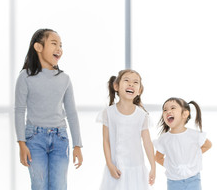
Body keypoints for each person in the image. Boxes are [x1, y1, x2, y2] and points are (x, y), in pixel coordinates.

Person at [14, 29, 83, 190]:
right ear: (38, 47)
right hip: (34, 139)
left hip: (60, 138)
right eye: (54, 44)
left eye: (60, 45)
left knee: (59, 186)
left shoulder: (64, 79)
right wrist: (21, 143)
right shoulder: (25, 76)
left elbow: (71, 113)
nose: (59, 48)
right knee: (39, 185)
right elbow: (19, 110)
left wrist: (77, 145)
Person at [96, 69, 156, 189]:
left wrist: (153, 166)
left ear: (139, 91)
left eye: (135, 82)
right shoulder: (108, 113)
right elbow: (106, 140)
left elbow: (147, 142)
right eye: (126, 80)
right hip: (115, 169)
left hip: (136, 170)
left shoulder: (142, 115)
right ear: (116, 86)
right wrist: (109, 164)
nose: (131, 84)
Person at [154, 98, 212, 190]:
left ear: (185, 114)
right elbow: (158, 157)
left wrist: (194, 156)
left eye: (173, 108)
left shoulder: (194, 135)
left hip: (193, 179)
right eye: (165, 110)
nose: (168, 111)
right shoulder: (164, 139)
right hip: (173, 181)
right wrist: (171, 165)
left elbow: (208, 145)